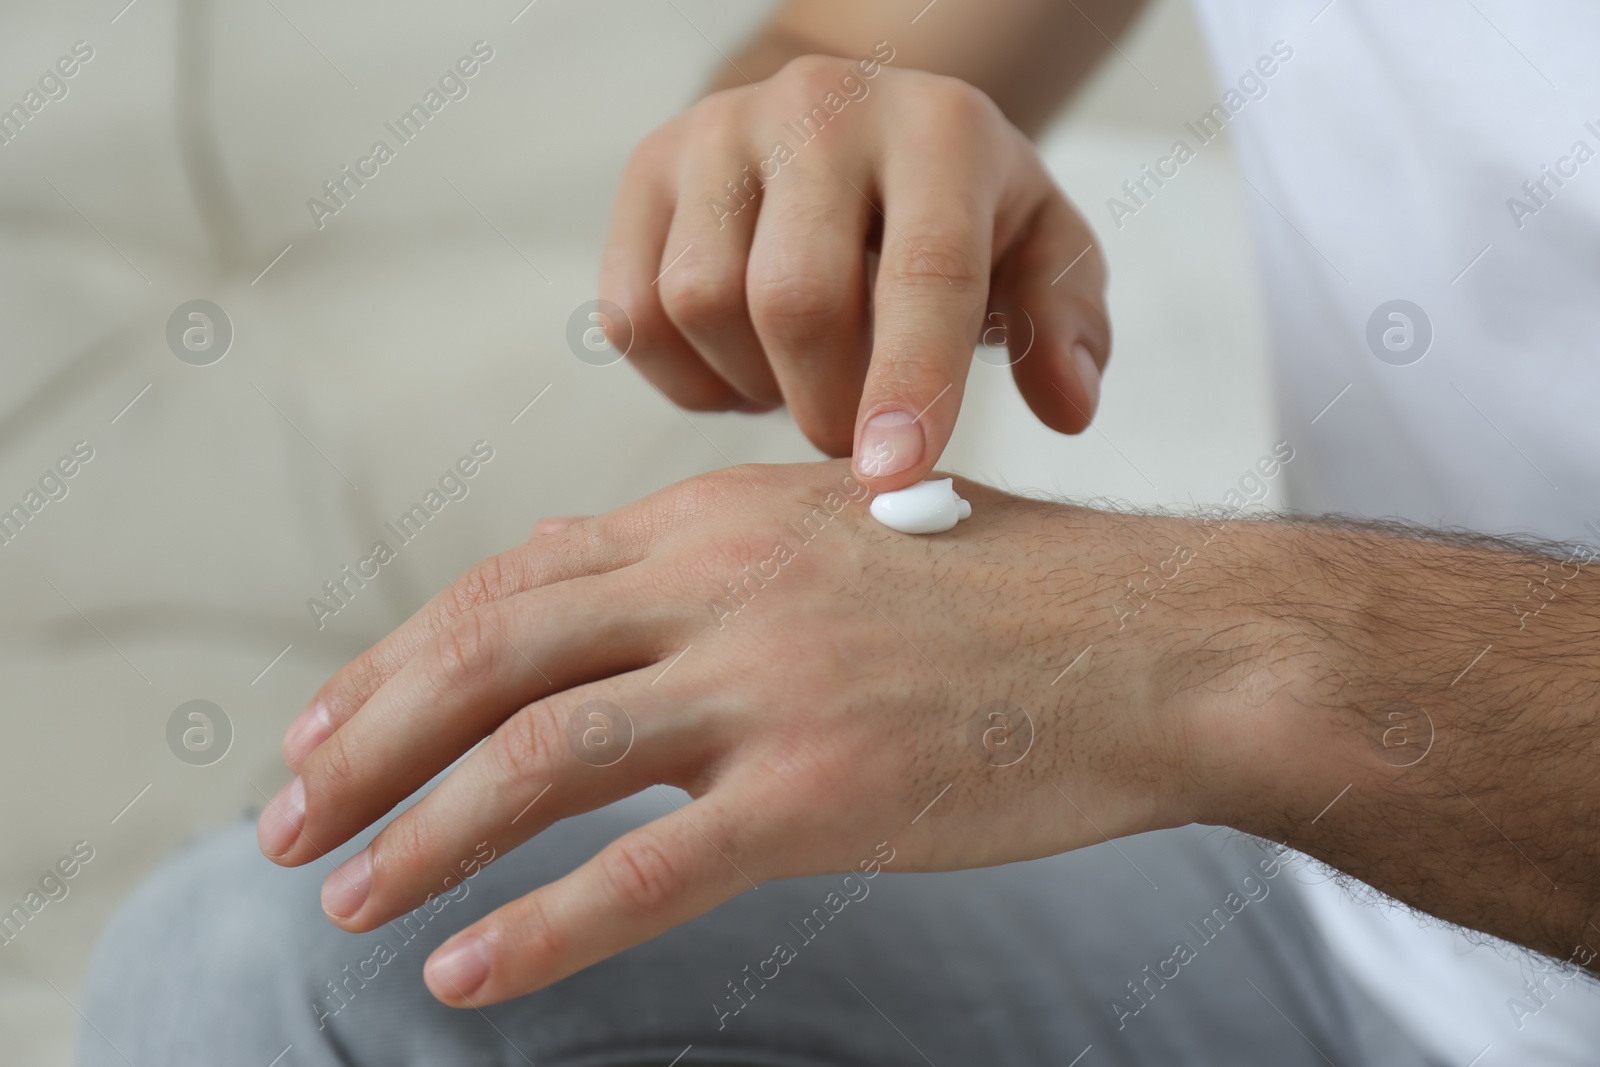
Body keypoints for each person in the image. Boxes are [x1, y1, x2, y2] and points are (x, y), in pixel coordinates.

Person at [79, 1, 1600, 1063]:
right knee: (275, 970)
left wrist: (1181, 649)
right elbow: (834, 47)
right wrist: (813, 160)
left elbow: (1183, 658)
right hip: (1357, 926)